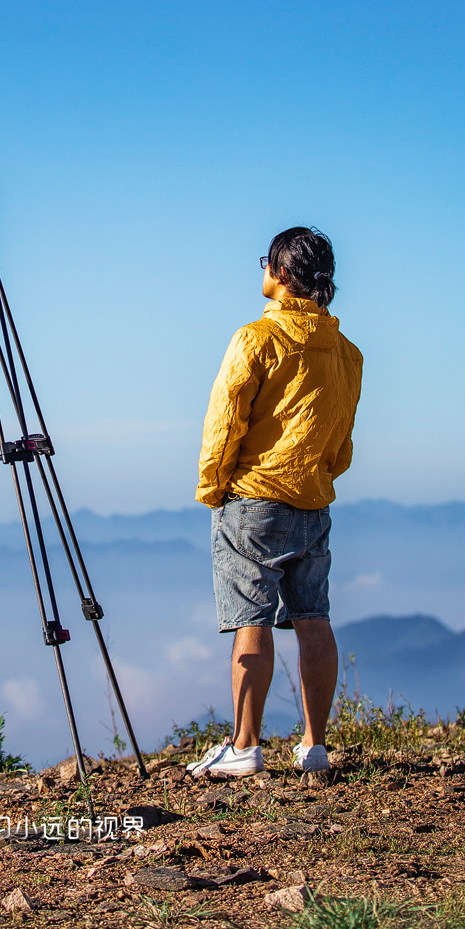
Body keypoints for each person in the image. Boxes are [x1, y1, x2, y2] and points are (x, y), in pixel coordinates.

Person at [187, 227, 363, 778]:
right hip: (313, 500)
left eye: (267, 262)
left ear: (282, 274)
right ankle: (314, 746)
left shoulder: (255, 339)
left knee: (251, 620)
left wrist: (213, 486)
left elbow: (224, 421)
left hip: (254, 499)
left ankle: (244, 746)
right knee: (314, 618)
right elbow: (340, 437)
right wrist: (321, 474)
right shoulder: (346, 352)